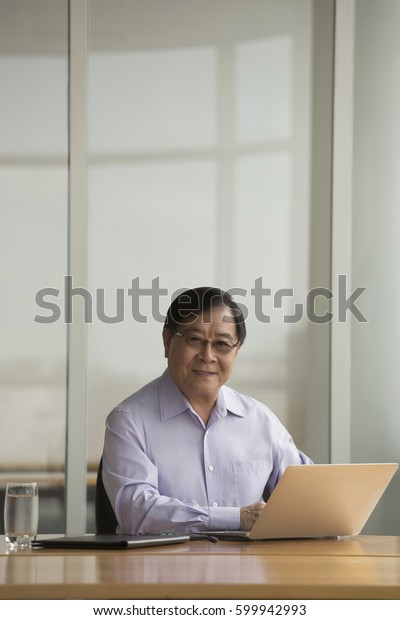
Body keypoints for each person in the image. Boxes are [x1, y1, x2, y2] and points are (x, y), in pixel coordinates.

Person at [102, 286, 312, 535]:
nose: (208, 355)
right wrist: (236, 518)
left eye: (222, 344)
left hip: (248, 571)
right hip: (162, 570)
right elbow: (137, 513)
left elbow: (308, 495)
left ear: (237, 351)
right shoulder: (129, 421)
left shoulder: (260, 420)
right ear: (167, 341)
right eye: (194, 340)